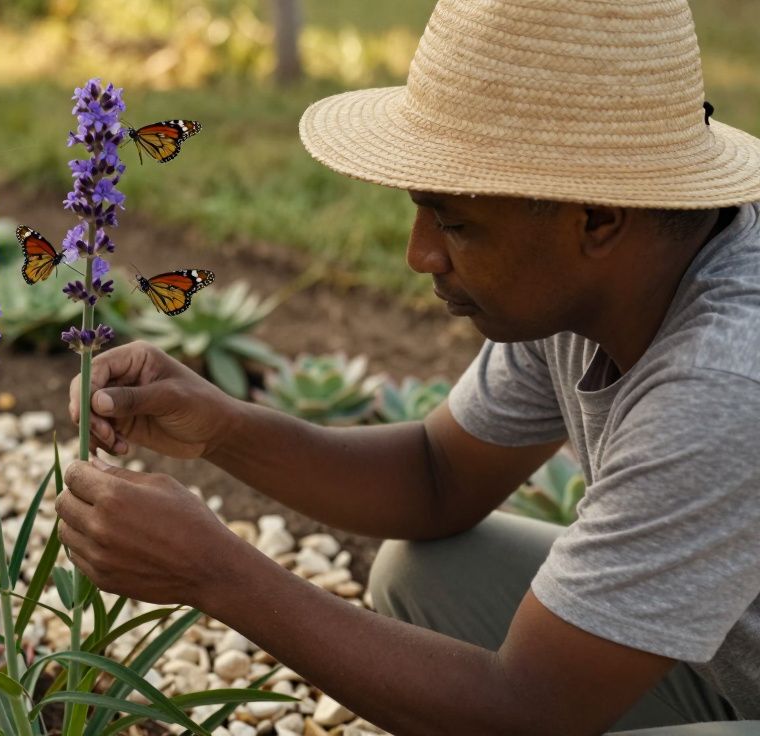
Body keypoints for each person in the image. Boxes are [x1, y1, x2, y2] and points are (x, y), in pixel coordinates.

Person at [54, 0, 760, 733]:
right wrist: (222, 429)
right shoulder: (603, 285)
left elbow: (525, 710)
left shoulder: (726, 377)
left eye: (454, 222)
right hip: (729, 668)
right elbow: (437, 477)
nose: (419, 254)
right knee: (429, 575)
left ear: (597, 219)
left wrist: (214, 572)